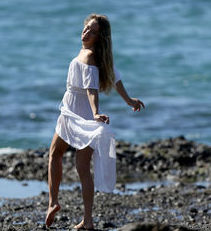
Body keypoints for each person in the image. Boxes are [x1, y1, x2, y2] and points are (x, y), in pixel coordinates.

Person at [45, 13, 145, 230]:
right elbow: (115, 77)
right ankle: (87, 220)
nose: (86, 32)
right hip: (81, 114)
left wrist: (96, 112)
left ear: (100, 37)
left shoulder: (89, 56)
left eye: (92, 31)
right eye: (86, 28)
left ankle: (53, 202)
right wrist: (129, 100)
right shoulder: (100, 57)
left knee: (55, 154)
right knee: (81, 167)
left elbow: (91, 89)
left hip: (73, 112)